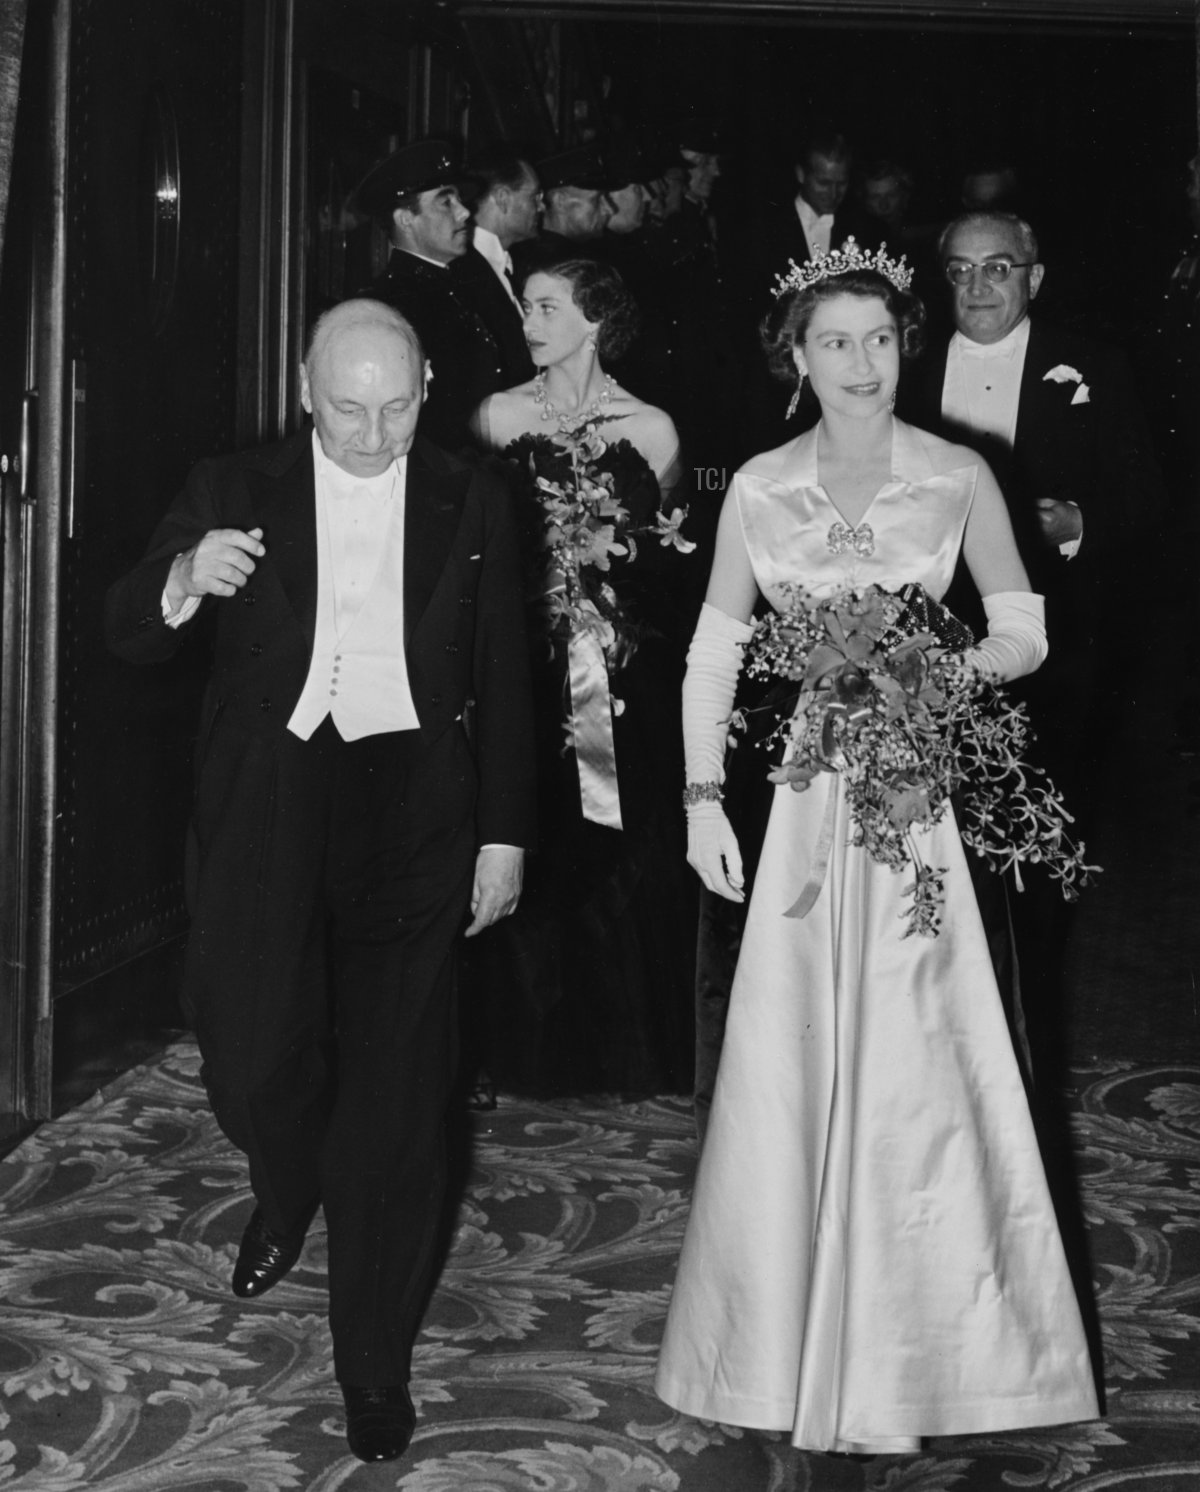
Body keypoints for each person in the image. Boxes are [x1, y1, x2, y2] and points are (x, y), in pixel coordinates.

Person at [654, 245, 1099, 1451]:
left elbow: (1023, 629)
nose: (862, 364)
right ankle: (782, 1341)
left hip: (921, 802)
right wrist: (701, 801)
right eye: (835, 342)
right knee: (790, 1057)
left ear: (908, 347)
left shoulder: (958, 473)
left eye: (882, 340)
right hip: (799, 808)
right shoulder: (760, 485)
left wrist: (931, 669)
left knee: (922, 1055)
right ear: (796, 357)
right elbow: (713, 652)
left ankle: (929, 1345)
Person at [104, 300, 536, 1464]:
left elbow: (506, 668)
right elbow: (126, 628)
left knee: (396, 1103)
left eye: (397, 408)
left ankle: (373, 1362)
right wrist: (183, 574)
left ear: (427, 389)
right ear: (305, 390)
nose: (373, 434)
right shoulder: (231, 485)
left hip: (414, 812)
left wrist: (504, 836)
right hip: (270, 804)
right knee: (250, 1059)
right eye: (348, 408)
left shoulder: (471, 495)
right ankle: (286, 1182)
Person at [469, 258, 699, 1095]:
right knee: (532, 827)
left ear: (594, 321)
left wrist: (606, 586)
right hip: (525, 663)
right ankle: (523, 1049)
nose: (528, 323)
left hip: (621, 671)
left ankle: (625, 1048)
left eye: (546, 308)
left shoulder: (654, 427)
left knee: (623, 835)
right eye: (526, 308)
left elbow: (666, 557)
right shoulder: (497, 415)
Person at [357, 139, 504, 451]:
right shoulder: (390, 307)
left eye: (459, 200)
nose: (464, 212)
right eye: (445, 202)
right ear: (405, 220)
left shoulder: (461, 285)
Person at [453, 148, 542, 386]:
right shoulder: (461, 272)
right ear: (503, 198)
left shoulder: (516, 264)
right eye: (534, 197)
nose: (541, 207)